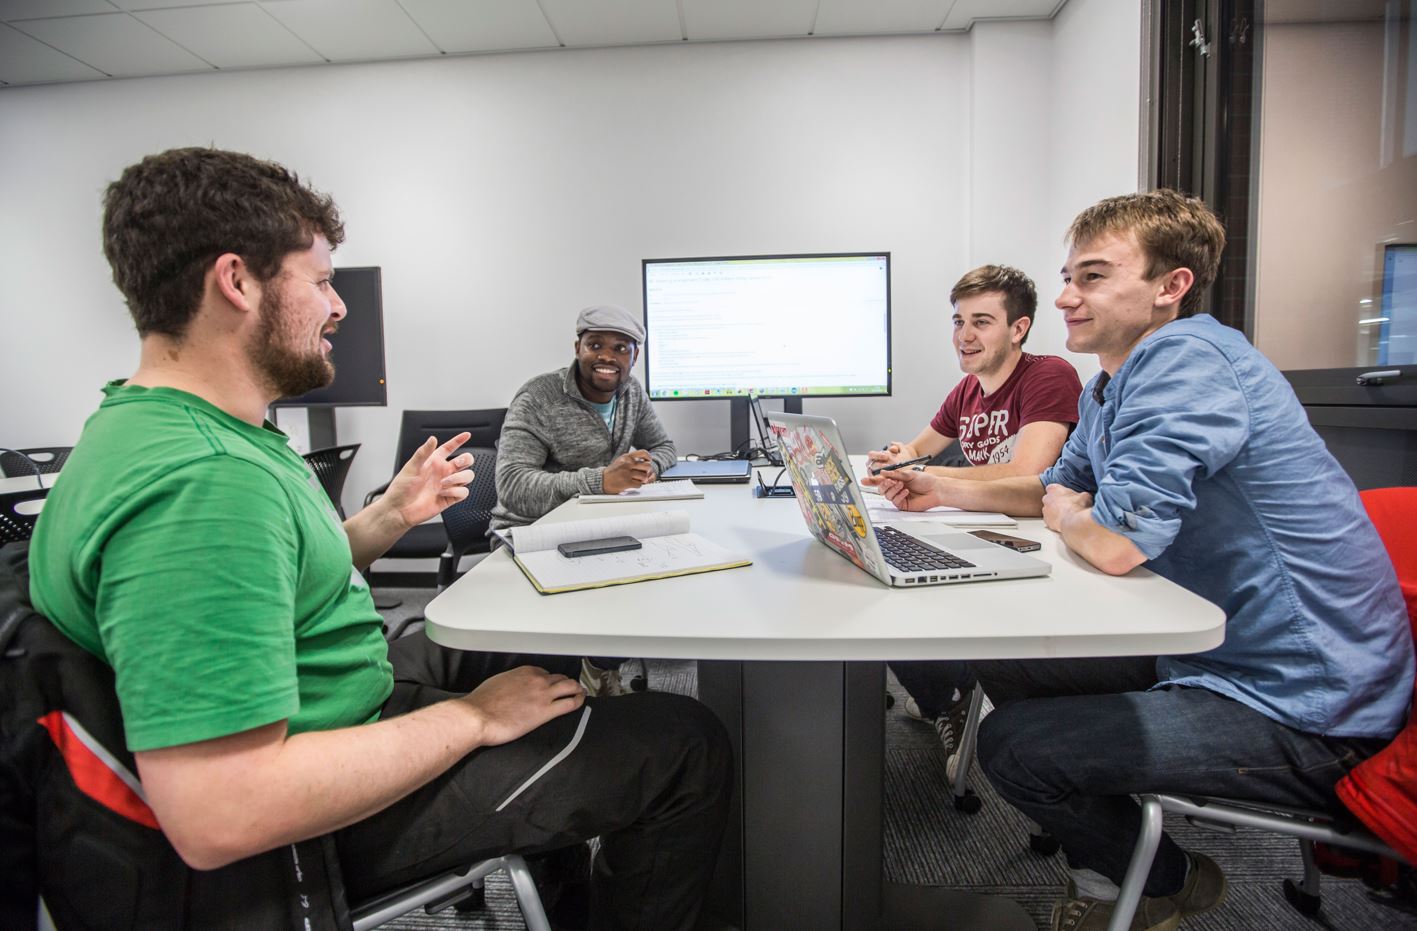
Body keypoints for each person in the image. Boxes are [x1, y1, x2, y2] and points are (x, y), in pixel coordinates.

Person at [28, 147, 731, 931]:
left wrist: (386, 519)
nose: (339, 307)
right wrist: (473, 720)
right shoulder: (206, 483)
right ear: (236, 281)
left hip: (327, 699)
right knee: (684, 745)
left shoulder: (168, 426)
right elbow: (221, 813)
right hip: (308, 820)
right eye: (322, 280)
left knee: (540, 655)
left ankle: (556, 878)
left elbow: (278, 577)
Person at [877, 189, 1414, 931]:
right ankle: (1104, 857)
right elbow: (1055, 493)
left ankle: (1166, 878)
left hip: (1306, 704)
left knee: (1013, 747)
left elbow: (1114, 538)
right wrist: (947, 490)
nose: (1066, 295)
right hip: (1215, 657)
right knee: (1004, 656)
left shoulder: (1186, 358)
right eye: (1068, 274)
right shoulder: (1109, 384)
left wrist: (1068, 510)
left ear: (1171, 286)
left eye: (1092, 276)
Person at [864, 265, 1082, 755]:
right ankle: (946, 694)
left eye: (981, 322)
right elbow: (918, 450)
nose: (964, 336)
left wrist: (933, 480)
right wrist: (893, 463)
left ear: (1018, 328)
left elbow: (1030, 472)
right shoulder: (966, 390)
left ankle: (951, 695)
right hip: (980, 528)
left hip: (1032, 543)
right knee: (881, 575)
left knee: (898, 598)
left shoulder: (1048, 375)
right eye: (958, 322)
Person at [492, 303, 677, 695]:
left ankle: (599, 667)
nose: (608, 357)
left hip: (595, 524)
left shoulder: (631, 394)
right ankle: (586, 672)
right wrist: (600, 482)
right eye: (596, 344)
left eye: (621, 348)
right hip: (530, 533)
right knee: (620, 580)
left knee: (667, 557)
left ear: (635, 357)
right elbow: (511, 484)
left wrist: (649, 467)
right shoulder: (538, 397)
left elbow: (664, 445)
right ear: (578, 347)